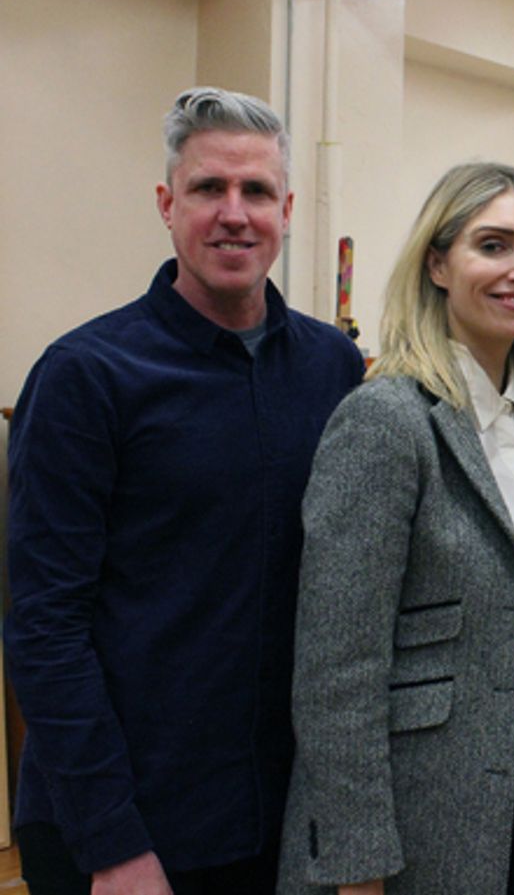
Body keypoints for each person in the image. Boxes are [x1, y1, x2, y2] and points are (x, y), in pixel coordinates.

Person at [5, 87, 364, 895]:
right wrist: (113, 844)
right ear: (168, 205)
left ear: (287, 211)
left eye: (256, 190)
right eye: (208, 188)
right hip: (120, 824)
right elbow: (45, 627)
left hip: (274, 821)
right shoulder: (85, 376)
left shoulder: (332, 369)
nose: (234, 213)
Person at [276, 161, 514, 895]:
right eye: (494, 245)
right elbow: (336, 673)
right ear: (438, 265)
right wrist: (356, 867)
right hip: (415, 831)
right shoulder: (386, 420)